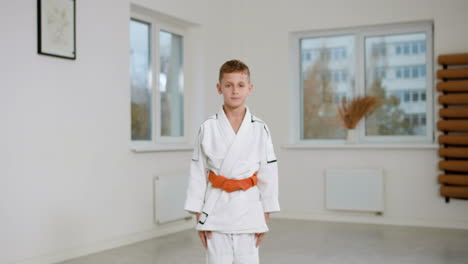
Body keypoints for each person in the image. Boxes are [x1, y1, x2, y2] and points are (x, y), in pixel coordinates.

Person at [184, 59, 280, 264]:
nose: (234, 91)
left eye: (240, 85)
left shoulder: (260, 128)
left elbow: (268, 174)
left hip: (248, 212)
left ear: (250, 89)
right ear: (219, 88)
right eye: (228, 85)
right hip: (216, 212)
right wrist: (199, 218)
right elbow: (197, 172)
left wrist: (264, 218)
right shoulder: (207, 128)